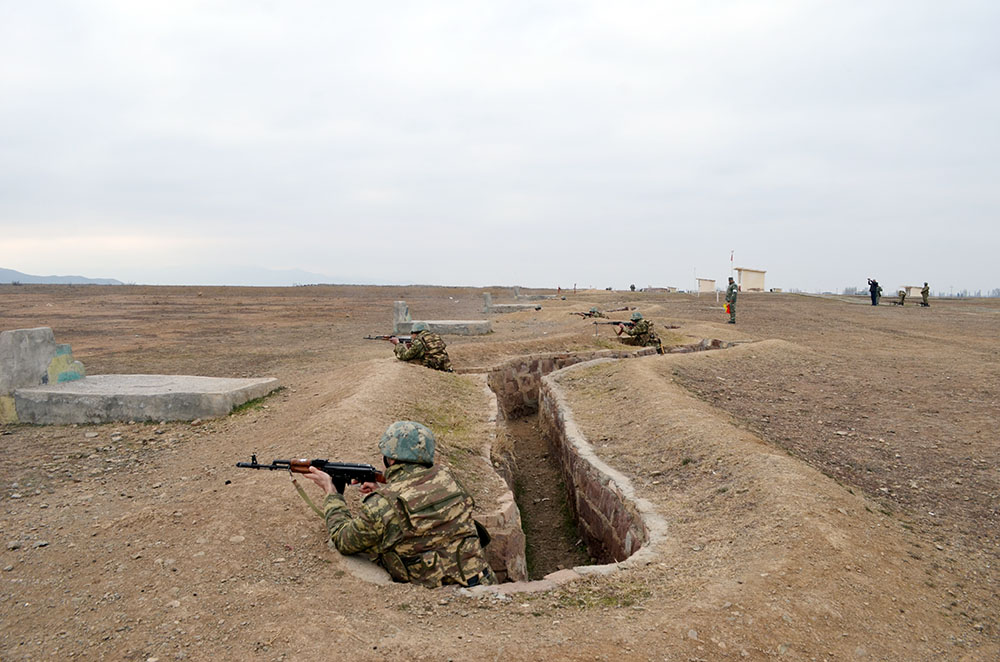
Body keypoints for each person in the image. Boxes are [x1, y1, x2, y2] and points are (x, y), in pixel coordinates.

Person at [302, 421, 496, 588]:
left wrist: (331, 493)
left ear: (391, 458)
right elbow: (423, 498)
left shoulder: (382, 504)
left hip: (438, 592)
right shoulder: (447, 477)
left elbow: (343, 539)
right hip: (483, 579)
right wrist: (385, 491)